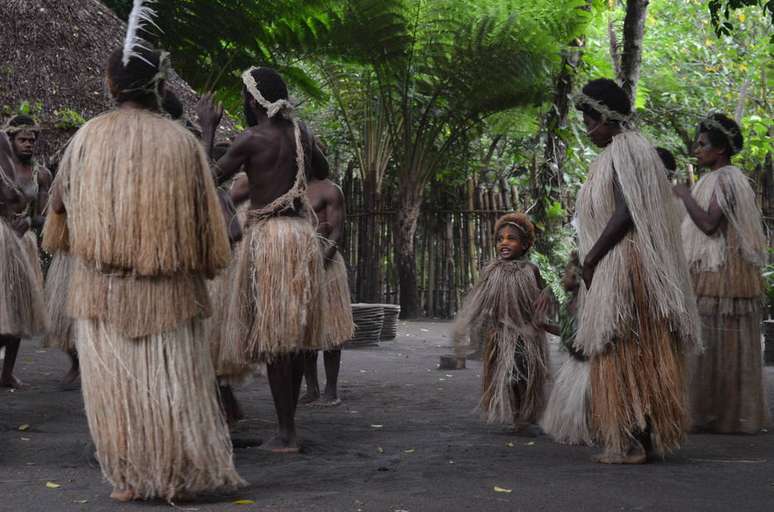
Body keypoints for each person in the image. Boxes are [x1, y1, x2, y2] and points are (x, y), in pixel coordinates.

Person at [42, 43, 244, 501]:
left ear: (111, 85)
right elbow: (207, 225)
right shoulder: (181, 142)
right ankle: (176, 478)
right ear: (161, 85)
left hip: (103, 288)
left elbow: (57, 209)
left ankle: (131, 479)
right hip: (168, 290)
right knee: (172, 386)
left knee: (118, 388)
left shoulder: (87, 138)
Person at [198, 67, 328, 453]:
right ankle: (289, 429)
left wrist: (207, 130)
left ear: (252, 100)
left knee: (275, 340)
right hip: (300, 237)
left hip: (269, 241)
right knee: (291, 339)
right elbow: (321, 170)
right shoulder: (300, 134)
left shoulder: (252, 139)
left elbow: (206, 181)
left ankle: (286, 434)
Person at [573, 78, 700, 464]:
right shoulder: (628, 150)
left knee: (623, 349)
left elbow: (626, 213)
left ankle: (629, 441)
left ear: (602, 118)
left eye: (587, 120)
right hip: (632, 265)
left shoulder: (626, 151)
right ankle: (642, 439)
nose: (585, 128)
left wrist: (591, 258)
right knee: (639, 349)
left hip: (625, 265)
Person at [675, 113, 769, 433]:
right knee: (712, 340)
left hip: (723, 269)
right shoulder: (716, 178)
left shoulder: (728, 179)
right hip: (713, 269)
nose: (696, 149)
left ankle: (725, 412)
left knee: (719, 338)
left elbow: (710, 224)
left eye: (702, 144)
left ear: (720, 149)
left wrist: (685, 195)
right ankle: (713, 409)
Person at [452, 212, 551, 435]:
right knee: (509, 377)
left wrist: (547, 294)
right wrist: (469, 324)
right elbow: (478, 300)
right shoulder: (491, 271)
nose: (504, 243)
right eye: (500, 239)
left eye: (511, 238)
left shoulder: (531, 270)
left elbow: (543, 296)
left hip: (527, 336)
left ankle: (527, 414)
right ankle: (518, 416)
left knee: (525, 375)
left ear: (525, 244)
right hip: (501, 335)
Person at [301, 146, 354, 406]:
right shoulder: (291, 189)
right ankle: (311, 388)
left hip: (327, 264)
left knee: (332, 330)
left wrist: (321, 260)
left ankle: (331, 390)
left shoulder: (330, 189)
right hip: (299, 262)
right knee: (305, 331)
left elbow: (335, 232)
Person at [0, 129, 47, 388]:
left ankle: (7, 372)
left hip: (20, 244)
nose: (28, 144)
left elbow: (45, 215)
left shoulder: (41, 174)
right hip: (3, 238)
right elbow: (9, 195)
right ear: (11, 140)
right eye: (22, 139)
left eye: (31, 140)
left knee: (17, 307)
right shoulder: (2, 159)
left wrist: (29, 220)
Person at [539, 252, 593, 445]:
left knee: (583, 405)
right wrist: (545, 326)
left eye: (566, 274)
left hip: (588, 366)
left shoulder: (590, 305)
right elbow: (566, 332)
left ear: (578, 276)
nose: (563, 278)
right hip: (573, 364)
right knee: (569, 405)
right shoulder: (568, 304)